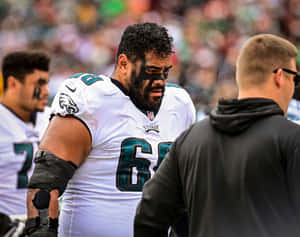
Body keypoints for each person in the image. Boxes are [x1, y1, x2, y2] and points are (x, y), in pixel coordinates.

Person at [26, 22, 196, 237]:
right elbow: (44, 186)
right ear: (124, 63)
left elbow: (183, 194)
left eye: (165, 72)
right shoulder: (92, 99)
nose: (160, 82)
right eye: (151, 71)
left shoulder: (179, 103)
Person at [134, 34, 300, 237]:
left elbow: (149, 218)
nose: (294, 87)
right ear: (279, 76)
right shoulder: (293, 139)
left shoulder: (190, 139)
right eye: (295, 78)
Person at [0, 51, 50, 233]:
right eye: (39, 84)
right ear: (13, 83)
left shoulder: (52, 118)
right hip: (9, 225)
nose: (46, 91)